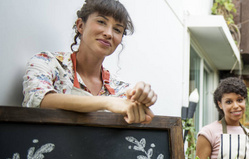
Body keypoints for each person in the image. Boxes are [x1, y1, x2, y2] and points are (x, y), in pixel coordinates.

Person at [22, 0, 157, 124]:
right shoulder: (47, 62)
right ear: (80, 26)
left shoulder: (119, 90)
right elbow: (39, 99)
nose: (109, 33)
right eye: (101, 22)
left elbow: (135, 111)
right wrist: (106, 102)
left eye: (117, 29)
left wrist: (140, 97)